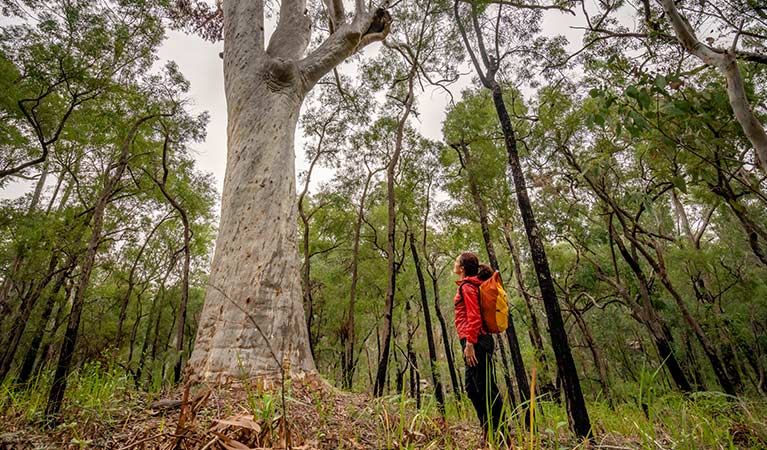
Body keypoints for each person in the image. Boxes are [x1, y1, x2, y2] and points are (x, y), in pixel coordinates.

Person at [453, 252, 503, 443]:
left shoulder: (467, 286)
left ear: (463, 268)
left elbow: (473, 316)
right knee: (472, 389)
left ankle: (500, 434)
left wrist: (470, 344)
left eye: (457, 262)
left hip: (476, 342)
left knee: (486, 389)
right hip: (474, 341)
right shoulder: (470, 285)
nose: (455, 264)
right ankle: (488, 429)